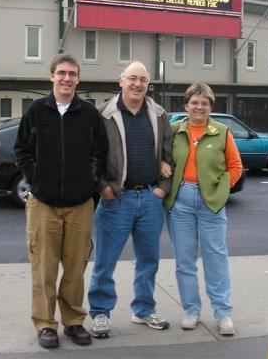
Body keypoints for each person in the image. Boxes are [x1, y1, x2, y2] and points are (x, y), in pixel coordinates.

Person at [14, 53, 108, 349]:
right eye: (62, 73)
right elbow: (22, 150)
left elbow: (100, 153)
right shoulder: (36, 111)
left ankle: (74, 321)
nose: (67, 78)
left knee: (75, 268)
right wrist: (36, 178)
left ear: (78, 79)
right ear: (52, 76)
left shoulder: (89, 114)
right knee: (44, 269)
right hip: (44, 204)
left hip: (80, 204)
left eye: (72, 74)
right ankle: (45, 324)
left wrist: (90, 181)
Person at [88, 61, 173, 339]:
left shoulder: (159, 114)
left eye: (143, 80)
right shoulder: (103, 114)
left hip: (150, 198)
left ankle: (144, 309)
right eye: (132, 78)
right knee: (105, 260)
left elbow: (168, 154)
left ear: (148, 85)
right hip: (116, 200)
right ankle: (100, 312)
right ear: (120, 81)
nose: (137, 84)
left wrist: (162, 187)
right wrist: (102, 187)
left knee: (148, 260)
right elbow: (92, 156)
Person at [165, 82, 243, 335]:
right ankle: (191, 310)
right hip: (181, 204)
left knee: (215, 259)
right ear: (186, 105)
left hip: (211, 202)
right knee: (184, 261)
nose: (199, 107)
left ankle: (223, 313)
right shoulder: (175, 130)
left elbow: (235, 167)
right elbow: (163, 160)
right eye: (195, 102)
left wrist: (221, 192)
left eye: (204, 103)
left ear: (210, 106)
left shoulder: (221, 132)